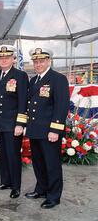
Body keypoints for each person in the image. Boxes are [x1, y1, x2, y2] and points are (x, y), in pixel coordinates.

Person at [25, 47, 70, 209]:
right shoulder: (34, 80)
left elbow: (61, 106)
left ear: (49, 61)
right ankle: (41, 189)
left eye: (41, 61)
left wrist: (55, 130)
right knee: (38, 163)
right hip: (35, 130)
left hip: (49, 131)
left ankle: (54, 195)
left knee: (52, 164)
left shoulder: (58, 79)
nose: (38, 64)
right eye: (36, 62)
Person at [0, 45, 29, 199]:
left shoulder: (20, 75)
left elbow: (22, 101)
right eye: (1, 57)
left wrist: (20, 124)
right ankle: (5, 181)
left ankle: (16, 186)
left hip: (13, 124)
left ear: (13, 59)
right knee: (3, 155)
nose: (4, 60)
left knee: (13, 155)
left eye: (7, 57)